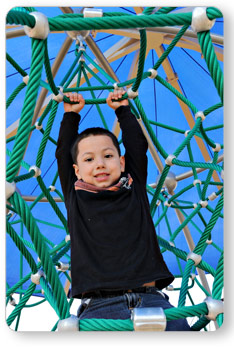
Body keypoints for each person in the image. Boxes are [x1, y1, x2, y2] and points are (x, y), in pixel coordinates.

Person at [55, 89, 190, 331]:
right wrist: (71, 116)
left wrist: (123, 110)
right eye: (89, 160)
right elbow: (63, 155)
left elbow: (137, 145)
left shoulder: (133, 186)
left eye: (108, 156)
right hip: (100, 308)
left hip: (153, 301)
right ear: (77, 171)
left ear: (122, 162)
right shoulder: (75, 196)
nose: (100, 164)